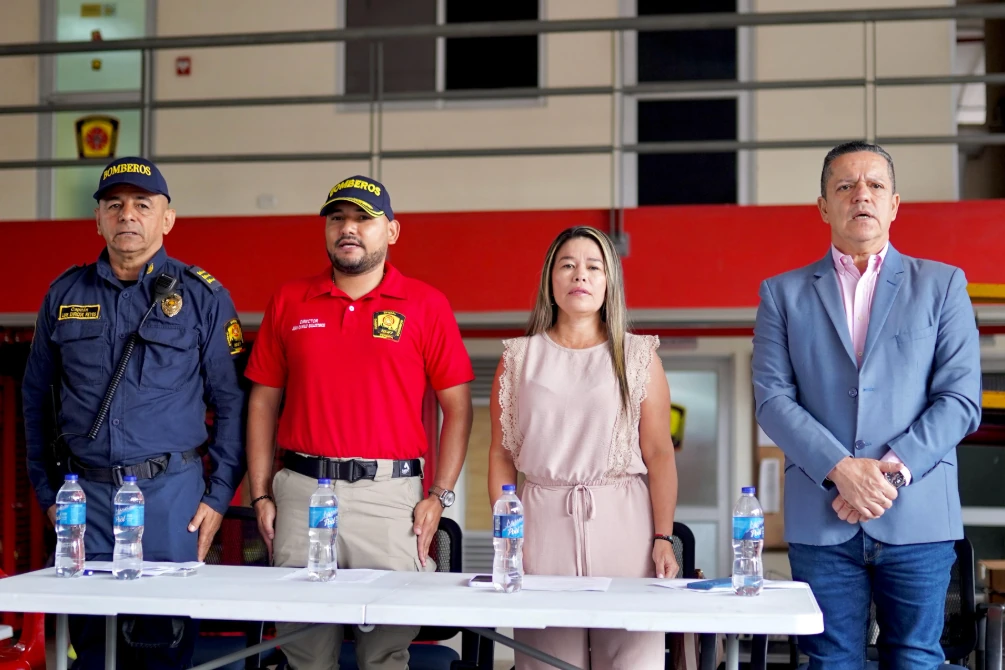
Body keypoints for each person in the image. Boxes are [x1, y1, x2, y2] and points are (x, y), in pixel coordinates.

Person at [752, 141, 982, 669]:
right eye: (845, 186)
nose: (861, 195)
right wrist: (841, 470)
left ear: (894, 204)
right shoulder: (781, 294)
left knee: (916, 659)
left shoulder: (943, 285)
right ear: (823, 206)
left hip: (918, 515)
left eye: (875, 185)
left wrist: (886, 475)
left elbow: (960, 399)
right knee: (830, 662)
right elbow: (772, 400)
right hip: (822, 516)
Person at [21, 156, 248, 669]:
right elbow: (36, 400)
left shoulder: (203, 297)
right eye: (114, 204)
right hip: (85, 503)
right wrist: (47, 494)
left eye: (143, 205)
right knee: (91, 650)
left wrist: (218, 497)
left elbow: (233, 402)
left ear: (167, 219)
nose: (127, 215)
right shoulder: (64, 295)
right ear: (97, 219)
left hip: (170, 501)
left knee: (161, 649)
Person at [244, 175, 474, 670]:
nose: (348, 228)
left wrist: (440, 495)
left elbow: (458, 407)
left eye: (362, 219)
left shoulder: (426, 304)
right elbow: (262, 403)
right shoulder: (289, 300)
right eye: (337, 219)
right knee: (304, 656)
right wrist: (261, 494)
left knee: (384, 656)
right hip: (302, 493)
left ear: (391, 231)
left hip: (389, 499)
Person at [487, 225, 679, 669]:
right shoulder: (518, 357)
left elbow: (659, 454)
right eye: (568, 265)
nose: (580, 275)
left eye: (594, 267)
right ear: (550, 280)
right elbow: (500, 454)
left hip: (624, 524)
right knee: (546, 660)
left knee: (631, 659)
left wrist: (662, 536)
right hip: (541, 526)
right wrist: (507, 539)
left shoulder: (637, 355)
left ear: (609, 281)